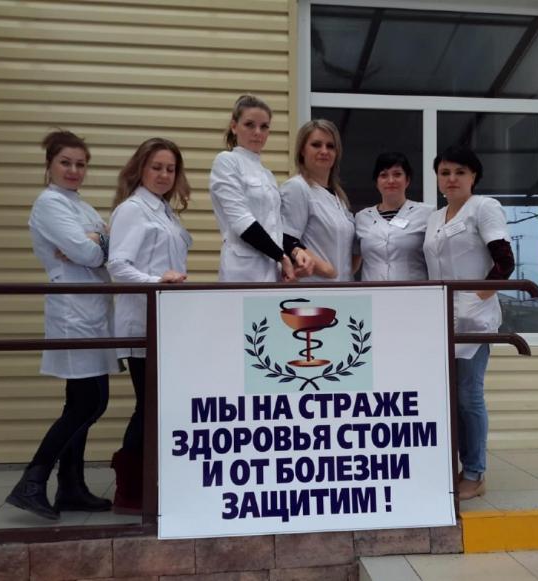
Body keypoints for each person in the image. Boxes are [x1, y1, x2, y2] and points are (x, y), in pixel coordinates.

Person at [7, 130, 116, 520]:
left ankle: (71, 486)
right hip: (73, 314)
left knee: (82, 402)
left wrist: (96, 242)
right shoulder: (49, 204)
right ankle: (32, 482)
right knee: (89, 402)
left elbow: (104, 247)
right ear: (50, 165)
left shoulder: (80, 206)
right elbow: (89, 253)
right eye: (65, 163)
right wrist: (96, 244)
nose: (73, 170)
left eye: (80, 164)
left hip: (93, 312)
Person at [422, 145, 514, 500]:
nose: (452, 178)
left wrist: (477, 298)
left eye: (460, 172)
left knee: (468, 396)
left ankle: (475, 473)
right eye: (445, 172)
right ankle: (453, 466)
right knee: (449, 397)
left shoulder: (484, 207)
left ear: (474, 176)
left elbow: (504, 262)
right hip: (440, 317)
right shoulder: (435, 217)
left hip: (474, 320)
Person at [107, 137, 193, 512]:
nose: (163, 175)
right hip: (142, 322)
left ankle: (150, 481)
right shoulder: (133, 210)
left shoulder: (165, 211)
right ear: (140, 168)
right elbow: (118, 265)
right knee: (148, 405)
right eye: (156, 167)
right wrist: (156, 282)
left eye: (170, 169)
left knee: (157, 404)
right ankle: (129, 489)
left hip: (165, 322)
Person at [209, 94, 313, 282]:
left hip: (271, 272)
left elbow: (274, 228)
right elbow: (241, 220)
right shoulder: (226, 161)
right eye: (249, 125)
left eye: (264, 126)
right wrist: (281, 256)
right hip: (241, 273)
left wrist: (295, 251)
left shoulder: (267, 175)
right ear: (234, 126)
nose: (257, 132)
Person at [280, 119, 355, 281]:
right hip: (313, 288)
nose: (324, 151)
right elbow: (286, 239)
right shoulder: (297, 188)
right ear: (302, 150)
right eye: (316, 145)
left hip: (344, 290)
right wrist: (328, 270)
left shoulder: (339, 197)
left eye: (330, 146)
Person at [355, 152, 433, 281]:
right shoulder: (362, 218)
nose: (391, 181)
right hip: (372, 292)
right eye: (384, 175)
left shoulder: (427, 214)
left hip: (414, 291)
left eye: (397, 174)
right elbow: (353, 260)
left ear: (407, 180)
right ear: (376, 182)